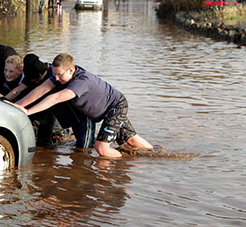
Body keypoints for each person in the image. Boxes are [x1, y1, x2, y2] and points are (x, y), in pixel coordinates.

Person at [11, 53, 154, 158]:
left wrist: (28, 111)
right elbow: (41, 90)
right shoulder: (60, 76)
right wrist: (18, 106)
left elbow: (55, 98)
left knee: (101, 148)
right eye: (54, 74)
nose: (56, 78)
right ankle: (154, 155)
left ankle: (125, 163)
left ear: (71, 70)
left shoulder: (81, 82)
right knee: (131, 140)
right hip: (104, 110)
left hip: (115, 106)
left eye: (59, 75)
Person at [3, 53, 93, 148]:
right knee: (43, 139)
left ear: (44, 73)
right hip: (47, 106)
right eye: (33, 81)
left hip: (70, 107)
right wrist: (5, 102)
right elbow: (18, 90)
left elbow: (56, 98)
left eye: (38, 80)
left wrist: (28, 111)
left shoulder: (55, 73)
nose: (36, 82)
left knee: (82, 144)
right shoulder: (31, 74)